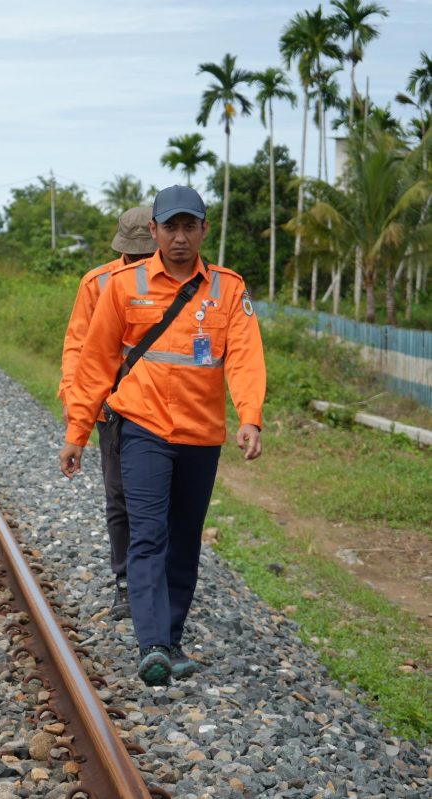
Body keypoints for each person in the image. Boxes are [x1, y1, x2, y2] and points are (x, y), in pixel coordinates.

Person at [59, 186, 265, 687]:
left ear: (203, 231)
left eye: (187, 227)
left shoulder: (227, 289)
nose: (178, 237)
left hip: (201, 435)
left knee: (184, 540)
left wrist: (250, 416)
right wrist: (77, 430)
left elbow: (243, 355)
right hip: (142, 427)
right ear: (153, 231)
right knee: (148, 533)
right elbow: (96, 362)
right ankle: (151, 644)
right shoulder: (123, 286)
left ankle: (171, 640)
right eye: (169, 227)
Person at [58, 206, 157, 621]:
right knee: (118, 496)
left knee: (157, 502)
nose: (137, 262)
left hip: (161, 409)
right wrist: (73, 399)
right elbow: (77, 346)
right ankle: (125, 582)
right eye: (131, 254)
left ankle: (155, 578)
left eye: (144, 254)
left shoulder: (180, 283)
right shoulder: (98, 282)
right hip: (111, 409)